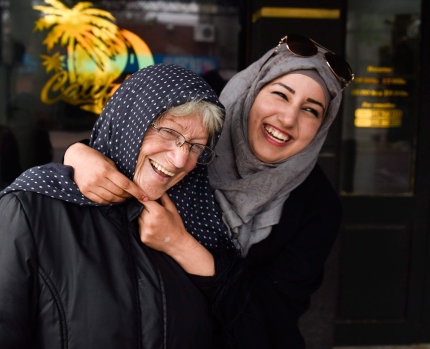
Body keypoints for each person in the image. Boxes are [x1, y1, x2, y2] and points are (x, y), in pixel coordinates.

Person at [64, 33, 354, 348]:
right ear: (252, 90)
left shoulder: (317, 205)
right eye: (281, 95)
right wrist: (79, 154)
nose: (288, 118)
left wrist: (180, 246)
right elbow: (132, 151)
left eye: (311, 110)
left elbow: (275, 314)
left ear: (323, 126)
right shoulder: (194, 141)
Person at [0, 63, 227, 348]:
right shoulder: (35, 208)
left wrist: (178, 243)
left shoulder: (197, 219)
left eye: (196, 146)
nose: (182, 159)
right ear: (130, 120)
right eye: (170, 132)